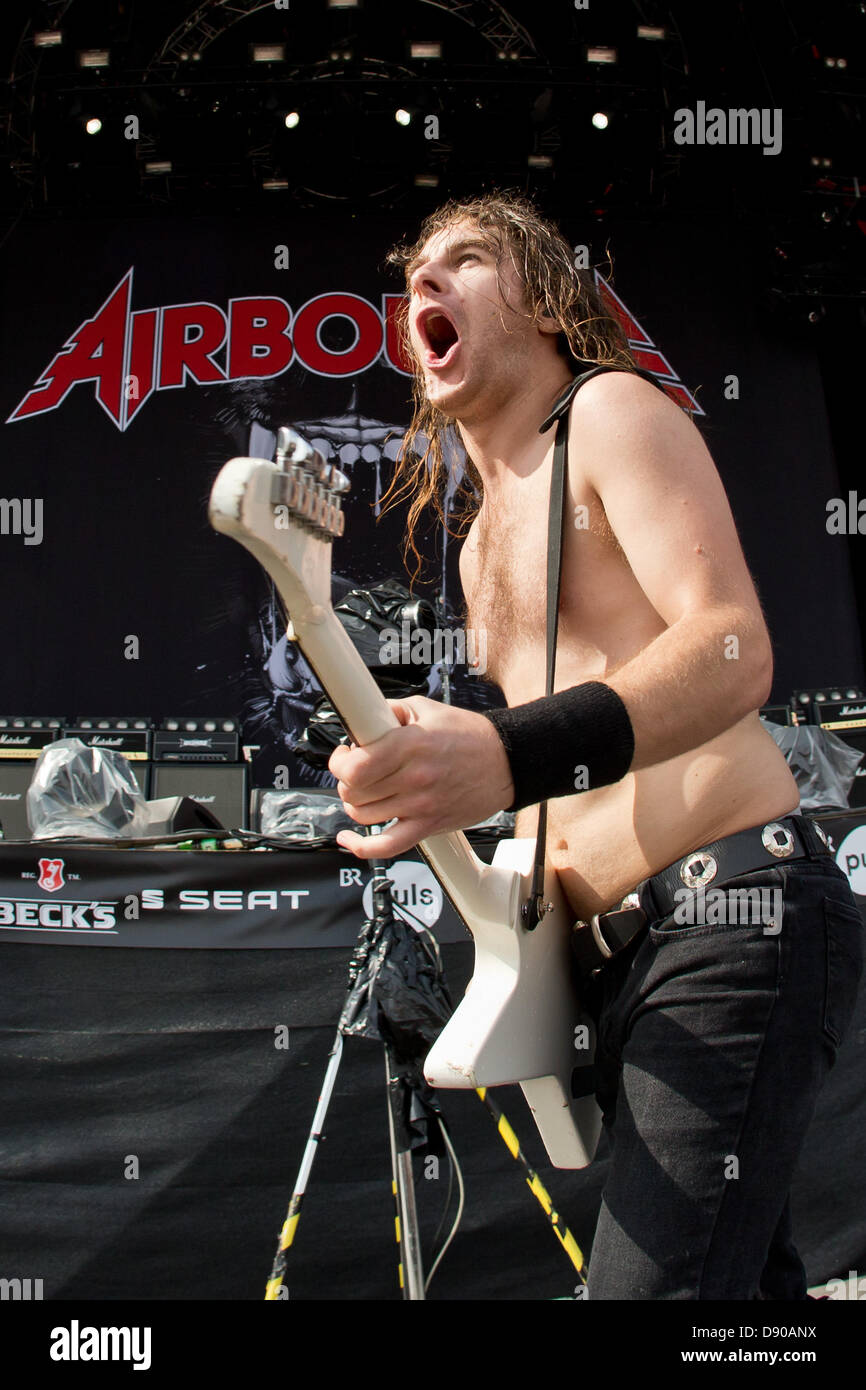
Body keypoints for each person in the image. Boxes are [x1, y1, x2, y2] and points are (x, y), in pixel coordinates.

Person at [328, 192, 864, 1300]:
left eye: (462, 261)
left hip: (731, 913)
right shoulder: (478, 550)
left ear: (538, 295)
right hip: (612, 963)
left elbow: (730, 651)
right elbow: (558, 776)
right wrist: (451, 813)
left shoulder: (611, 412)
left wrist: (502, 753)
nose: (422, 284)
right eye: (412, 272)